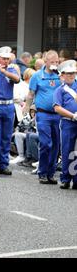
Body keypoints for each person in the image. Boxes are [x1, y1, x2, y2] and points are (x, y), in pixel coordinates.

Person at [24, 50, 61, 185]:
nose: (55, 64)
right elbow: (31, 93)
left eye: (57, 62)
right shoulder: (37, 76)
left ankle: (51, 173)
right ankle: (42, 172)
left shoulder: (59, 76)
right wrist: (27, 107)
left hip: (57, 115)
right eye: (52, 62)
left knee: (56, 145)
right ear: (46, 62)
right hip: (43, 114)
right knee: (46, 143)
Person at [0, 46, 20, 175]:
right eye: (4, 59)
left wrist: (4, 71)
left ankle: (4, 165)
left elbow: (17, 79)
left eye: (8, 59)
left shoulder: (12, 70)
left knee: (6, 136)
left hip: (8, 105)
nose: (6, 61)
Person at [53, 60, 77, 190]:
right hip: (68, 122)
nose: (71, 76)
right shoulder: (60, 90)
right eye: (68, 74)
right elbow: (57, 108)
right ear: (62, 75)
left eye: (73, 73)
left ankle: (76, 179)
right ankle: (66, 178)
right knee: (67, 151)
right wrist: (72, 115)